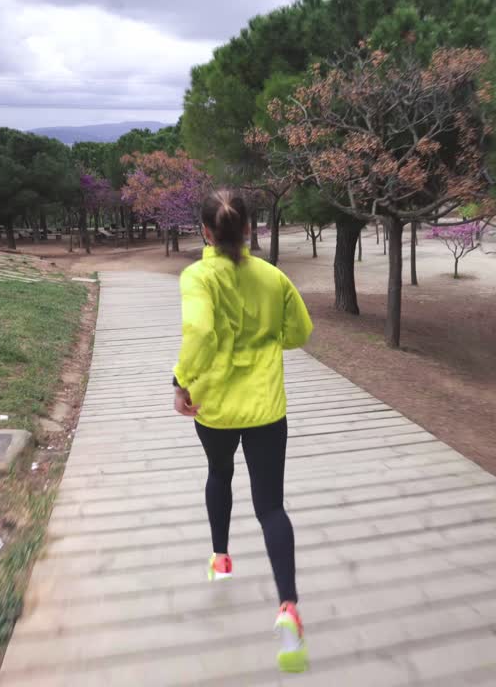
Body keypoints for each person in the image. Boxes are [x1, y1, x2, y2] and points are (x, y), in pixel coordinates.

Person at [172, 189, 314, 673]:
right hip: (267, 408)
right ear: (250, 230)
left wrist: (180, 382)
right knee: (271, 507)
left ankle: (221, 559)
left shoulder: (197, 277)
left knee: (218, 473)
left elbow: (199, 333)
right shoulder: (274, 277)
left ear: (206, 233)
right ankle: (289, 609)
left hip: (213, 406)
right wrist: (267, 340)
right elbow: (300, 333)